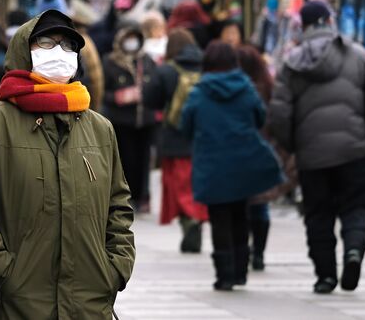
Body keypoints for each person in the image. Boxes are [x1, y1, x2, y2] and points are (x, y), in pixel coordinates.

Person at [0, 9, 135, 319]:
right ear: (24, 51)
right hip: (16, 301)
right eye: (46, 43)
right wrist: (3, 270)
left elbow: (118, 203)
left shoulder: (99, 128)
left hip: (88, 300)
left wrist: (115, 268)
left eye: (68, 46)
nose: (59, 53)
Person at [268, 0, 365, 294]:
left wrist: (292, 147)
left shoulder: (292, 62)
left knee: (318, 214)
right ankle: (354, 250)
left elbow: (280, 113)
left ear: (304, 26)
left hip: (312, 156)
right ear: (330, 21)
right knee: (355, 207)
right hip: (355, 150)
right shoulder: (359, 56)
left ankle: (325, 275)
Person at [181, 41, 283, 291]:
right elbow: (260, 116)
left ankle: (225, 275)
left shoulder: (199, 92)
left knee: (219, 218)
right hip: (242, 161)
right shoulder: (246, 88)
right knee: (240, 215)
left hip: (212, 164)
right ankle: (241, 270)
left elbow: (186, 124)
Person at [143, 28, 209, 252]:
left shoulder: (166, 71)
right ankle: (197, 218)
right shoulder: (206, 67)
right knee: (197, 185)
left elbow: (150, 100)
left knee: (178, 186)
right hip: (203, 138)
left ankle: (189, 221)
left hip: (174, 137)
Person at [236, 44, 297, 271]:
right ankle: (259, 252)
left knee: (241, 207)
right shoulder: (268, 87)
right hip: (262, 152)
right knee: (260, 205)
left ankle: (245, 252)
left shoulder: (240, 88)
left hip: (240, 155)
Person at [103, 23, 157, 212]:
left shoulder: (147, 60)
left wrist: (147, 93)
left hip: (145, 119)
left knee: (144, 159)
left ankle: (143, 196)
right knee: (127, 159)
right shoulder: (110, 62)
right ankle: (127, 196)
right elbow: (102, 91)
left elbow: (156, 86)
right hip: (122, 120)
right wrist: (119, 96)